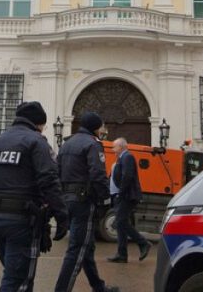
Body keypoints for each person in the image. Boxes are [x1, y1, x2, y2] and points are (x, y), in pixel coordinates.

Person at [0, 101, 69, 292]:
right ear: (38, 123)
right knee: (18, 280)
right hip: (23, 220)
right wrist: (62, 216)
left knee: (16, 275)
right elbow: (49, 180)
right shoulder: (36, 142)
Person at [54, 113, 120, 292]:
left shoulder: (67, 143)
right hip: (83, 200)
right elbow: (97, 174)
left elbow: (56, 172)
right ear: (95, 128)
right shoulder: (93, 144)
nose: (103, 130)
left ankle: (98, 286)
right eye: (102, 126)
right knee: (77, 248)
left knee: (87, 246)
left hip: (67, 199)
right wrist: (105, 197)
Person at [107, 137, 151, 263]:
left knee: (120, 222)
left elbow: (128, 175)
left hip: (127, 196)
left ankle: (143, 243)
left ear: (121, 147)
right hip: (121, 196)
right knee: (121, 224)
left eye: (114, 147)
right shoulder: (122, 158)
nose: (113, 149)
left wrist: (120, 193)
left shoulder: (127, 157)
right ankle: (122, 255)